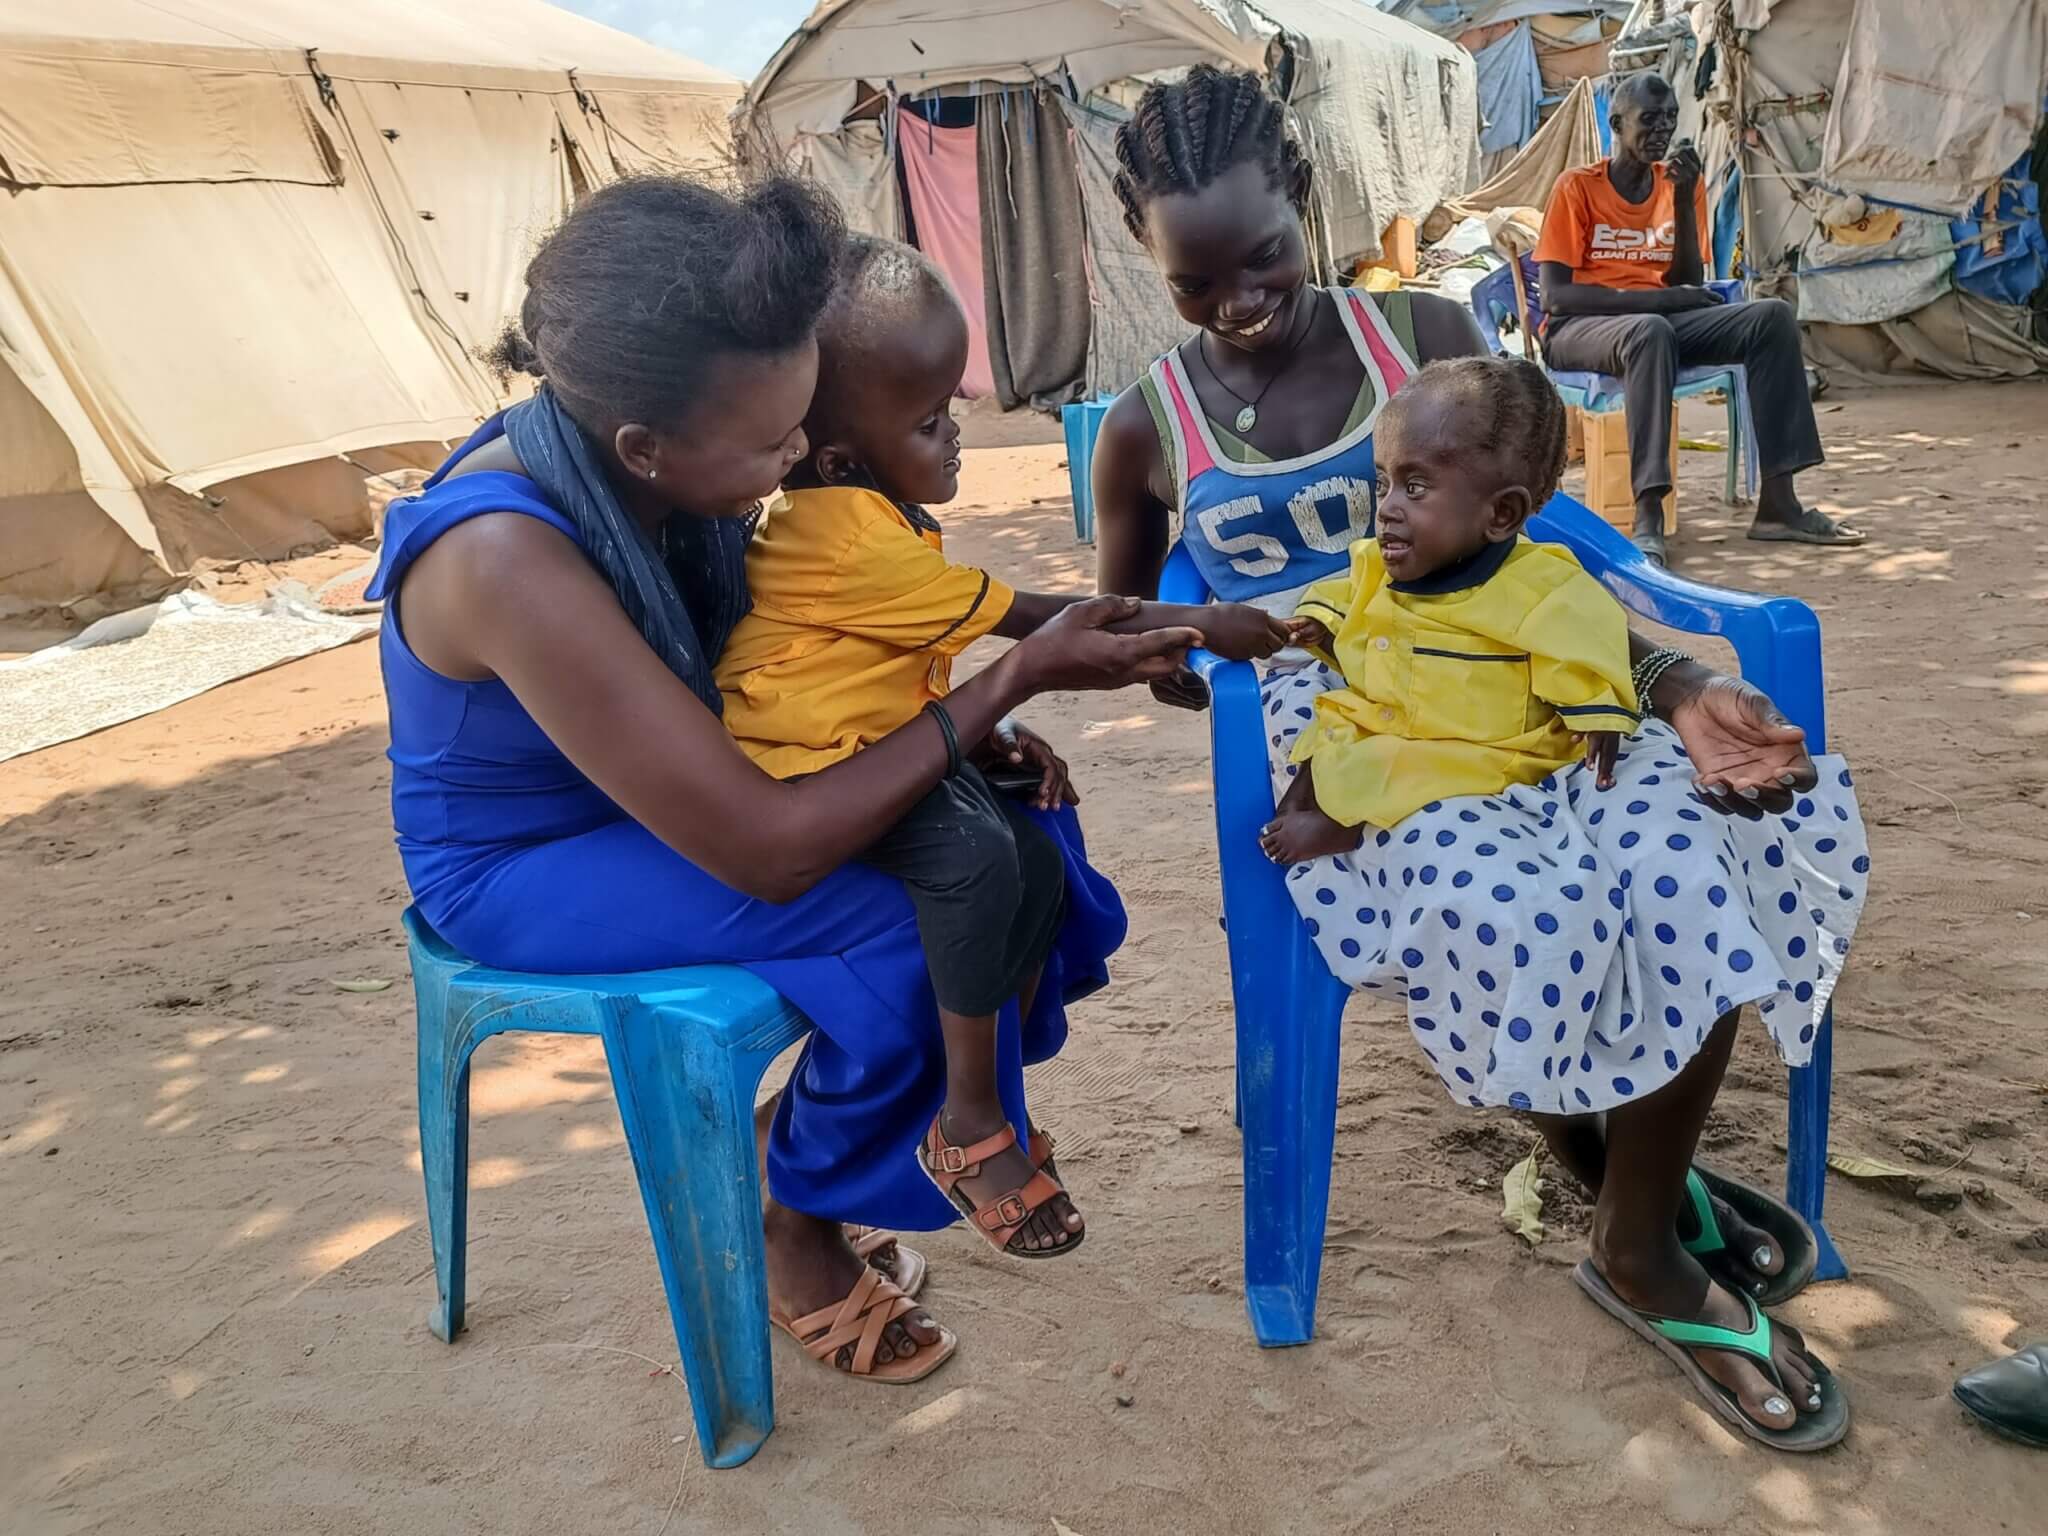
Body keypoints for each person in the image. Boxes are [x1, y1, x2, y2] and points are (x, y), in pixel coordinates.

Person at [1090, 65, 1870, 1444]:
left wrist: (1676, 678)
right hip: (1351, 735)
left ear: (1307, 203)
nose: (1239, 302)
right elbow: (1141, 622)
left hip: (1534, 680)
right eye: (1195, 283)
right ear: (1151, 261)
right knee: (1518, 901)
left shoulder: (1425, 334)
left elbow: (1541, 555)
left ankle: (1630, 1220)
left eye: (1263, 257)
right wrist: (1190, 647)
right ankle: (1615, 1185)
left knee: (1698, 850)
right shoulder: (1150, 426)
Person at [366, 175, 1198, 1385]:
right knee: (916, 921)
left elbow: (791, 673)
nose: (804, 455)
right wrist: (991, 696)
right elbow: (770, 849)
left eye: (805, 417)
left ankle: (820, 1145)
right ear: (647, 448)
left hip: (693, 784)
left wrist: (940, 736)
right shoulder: (502, 556)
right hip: (528, 863)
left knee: (1013, 843)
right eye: (771, 443)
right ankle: (793, 1222)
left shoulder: (653, 461)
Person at [717, 235, 1287, 1263]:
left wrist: (991, 730)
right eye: (929, 421)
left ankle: (963, 1088)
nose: (955, 438)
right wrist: (1203, 624)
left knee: (1024, 849)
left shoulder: (867, 515)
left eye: (954, 406)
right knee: (978, 861)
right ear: (840, 459)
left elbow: (903, 670)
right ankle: (968, 1120)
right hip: (811, 771)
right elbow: (1032, 622)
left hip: (857, 739)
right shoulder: (838, 533)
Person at [1260, 357, 1639, 867]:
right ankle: (1320, 808)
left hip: (1484, 751)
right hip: (1390, 722)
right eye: (1383, 484)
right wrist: (1317, 622)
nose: (1388, 507)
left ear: (1500, 514)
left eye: (1415, 488)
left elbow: (1583, 643)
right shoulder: (1379, 563)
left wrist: (1597, 712)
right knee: (1328, 738)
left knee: (1392, 768)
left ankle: (1343, 822)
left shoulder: (1542, 584)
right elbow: (1346, 594)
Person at [1535, 71, 1864, 564]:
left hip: (1655, 326)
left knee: (1771, 317)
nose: (1662, 129)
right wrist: (1659, 304)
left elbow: (1684, 282)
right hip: (1579, 329)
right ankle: (1648, 515)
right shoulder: (1577, 188)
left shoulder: (1679, 183)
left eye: (1670, 117)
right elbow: (1556, 297)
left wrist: (1686, 201)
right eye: (1649, 119)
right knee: (1649, 329)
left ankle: (1779, 506)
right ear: (1617, 124)